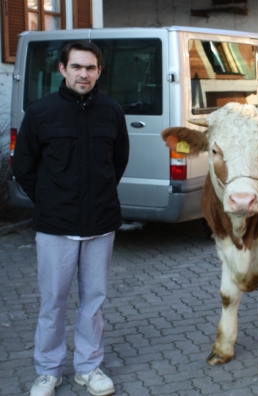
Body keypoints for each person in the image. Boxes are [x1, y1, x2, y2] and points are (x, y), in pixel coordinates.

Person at [12, 40, 129, 396]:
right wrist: (50, 202)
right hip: (55, 227)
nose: (84, 73)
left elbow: (118, 162)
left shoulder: (111, 111)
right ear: (62, 70)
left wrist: (97, 197)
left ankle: (89, 367)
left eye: (91, 67)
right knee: (52, 303)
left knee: (93, 302)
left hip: (100, 225)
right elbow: (23, 167)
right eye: (77, 66)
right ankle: (48, 371)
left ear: (99, 72)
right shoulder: (41, 112)